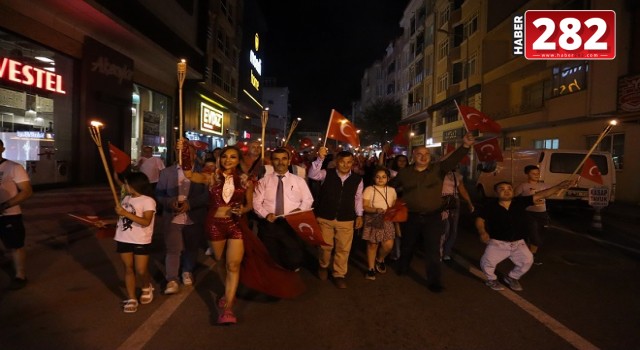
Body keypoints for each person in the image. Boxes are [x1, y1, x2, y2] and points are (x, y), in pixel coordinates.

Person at [180, 143, 304, 325]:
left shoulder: (245, 180)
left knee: (233, 265)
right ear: (219, 159)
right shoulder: (212, 177)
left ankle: (228, 308)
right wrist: (183, 152)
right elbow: (189, 175)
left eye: (232, 157)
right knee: (221, 261)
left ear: (238, 160)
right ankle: (226, 291)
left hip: (235, 224)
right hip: (214, 224)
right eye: (224, 156)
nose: (227, 160)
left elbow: (250, 205)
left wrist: (242, 210)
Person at [390, 133, 475, 293]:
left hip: (433, 217)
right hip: (412, 217)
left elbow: (453, 160)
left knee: (433, 250)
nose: (424, 157)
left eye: (427, 154)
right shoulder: (405, 173)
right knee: (407, 245)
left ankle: (434, 281)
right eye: (420, 154)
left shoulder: (438, 169)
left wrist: (465, 146)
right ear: (413, 156)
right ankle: (403, 267)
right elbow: (391, 187)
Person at [477, 180, 572, 291]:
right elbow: (480, 219)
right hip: (498, 243)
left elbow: (542, 194)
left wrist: (559, 186)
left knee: (527, 260)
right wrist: (482, 232)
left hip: (518, 242)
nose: (506, 191)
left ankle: (511, 277)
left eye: (509, 189)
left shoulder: (520, 202)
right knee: (487, 262)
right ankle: (491, 279)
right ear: (496, 193)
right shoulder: (489, 206)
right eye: (502, 189)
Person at [155, 146, 209, 295]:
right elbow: (159, 194)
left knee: (192, 248)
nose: (184, 155)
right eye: (180, 152)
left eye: (188, 152)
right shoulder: (167, 172)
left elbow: (208, 196)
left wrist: (190, 204)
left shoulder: (204, 173)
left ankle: (187, 270)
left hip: (195, 216)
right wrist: (171, 202)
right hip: (173, 217)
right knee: (173, 249)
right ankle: (172, 279)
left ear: (193, 154)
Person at [308, 148, 364, 289]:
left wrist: (359, 215)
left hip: (346, 219)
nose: (345, 165)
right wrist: (320, 159)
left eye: (349, 162)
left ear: (352, 163)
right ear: (336, 162)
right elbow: (313, 175)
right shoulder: (327, 174)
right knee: (325, 247)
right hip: (325, 217)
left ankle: (339, 274)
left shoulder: (357, 179)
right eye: (342, 162)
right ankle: (323, 266)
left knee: (343, 249)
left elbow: (358, 199)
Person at [253, 148, 314, 271]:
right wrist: (266, 214)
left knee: (293, 258)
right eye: (276, 159)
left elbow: (308, 200)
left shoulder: (298, 181)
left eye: (284, 159)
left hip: (291, 224)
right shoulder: (264, 181)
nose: (280, 162)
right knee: (270, 258)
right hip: (269, 224)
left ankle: (291, 276)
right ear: (271, 161)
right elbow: (256, 202)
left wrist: (299, 210)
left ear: (289, 161)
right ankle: (275, 283)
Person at [112, 172, 157, 313]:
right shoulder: (126, 198)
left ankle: (146, 286)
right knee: (128, 268)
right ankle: (131, 298)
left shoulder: (148, 201)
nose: (125, 186)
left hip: (141, 239)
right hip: (123, 237)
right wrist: (105, 222)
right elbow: (123, 220)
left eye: (126, 183)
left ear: (135, 184)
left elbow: (146, 221)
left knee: (141, 270)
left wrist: (125, 213)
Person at [0, 139, 33, 290]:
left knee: (16, 245)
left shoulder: (14, 167)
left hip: (9, 214)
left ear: (2, 148)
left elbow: (26, 191)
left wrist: (5, 205)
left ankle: (20, 274)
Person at [361, 167, 397, 280]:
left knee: (388, 245)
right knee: (373, 244)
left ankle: (380, 259)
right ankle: (370, 269)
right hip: (373, 218)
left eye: (383, 177)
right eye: (377, 177)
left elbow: (394, 205)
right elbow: (364, 206)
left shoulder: (392, 190)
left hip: (387, 219)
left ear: (388, 178)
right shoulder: (369, 189)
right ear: (373, 178)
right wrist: (375, 210)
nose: (380, 179)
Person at [514, 165, 550, 265]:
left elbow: (555, 192)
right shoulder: (523, 186)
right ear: (527, 174)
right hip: (528, 214)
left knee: (540, 234)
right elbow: (514, 199)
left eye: (537, 173)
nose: (536, 175)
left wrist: (565, 186)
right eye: (533, 173)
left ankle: (531, 254)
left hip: (542, 213)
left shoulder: (544, 186)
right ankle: (529, 256)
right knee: (533, 233)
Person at [440, 168, 474, 262]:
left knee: (453, 228)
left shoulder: (457, 175)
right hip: (440, 201)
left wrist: (469, 202)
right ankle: (439, 250)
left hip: (453, 201)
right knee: (444, 227)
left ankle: (446, 251)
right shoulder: (437, 172)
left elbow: (462, 190)